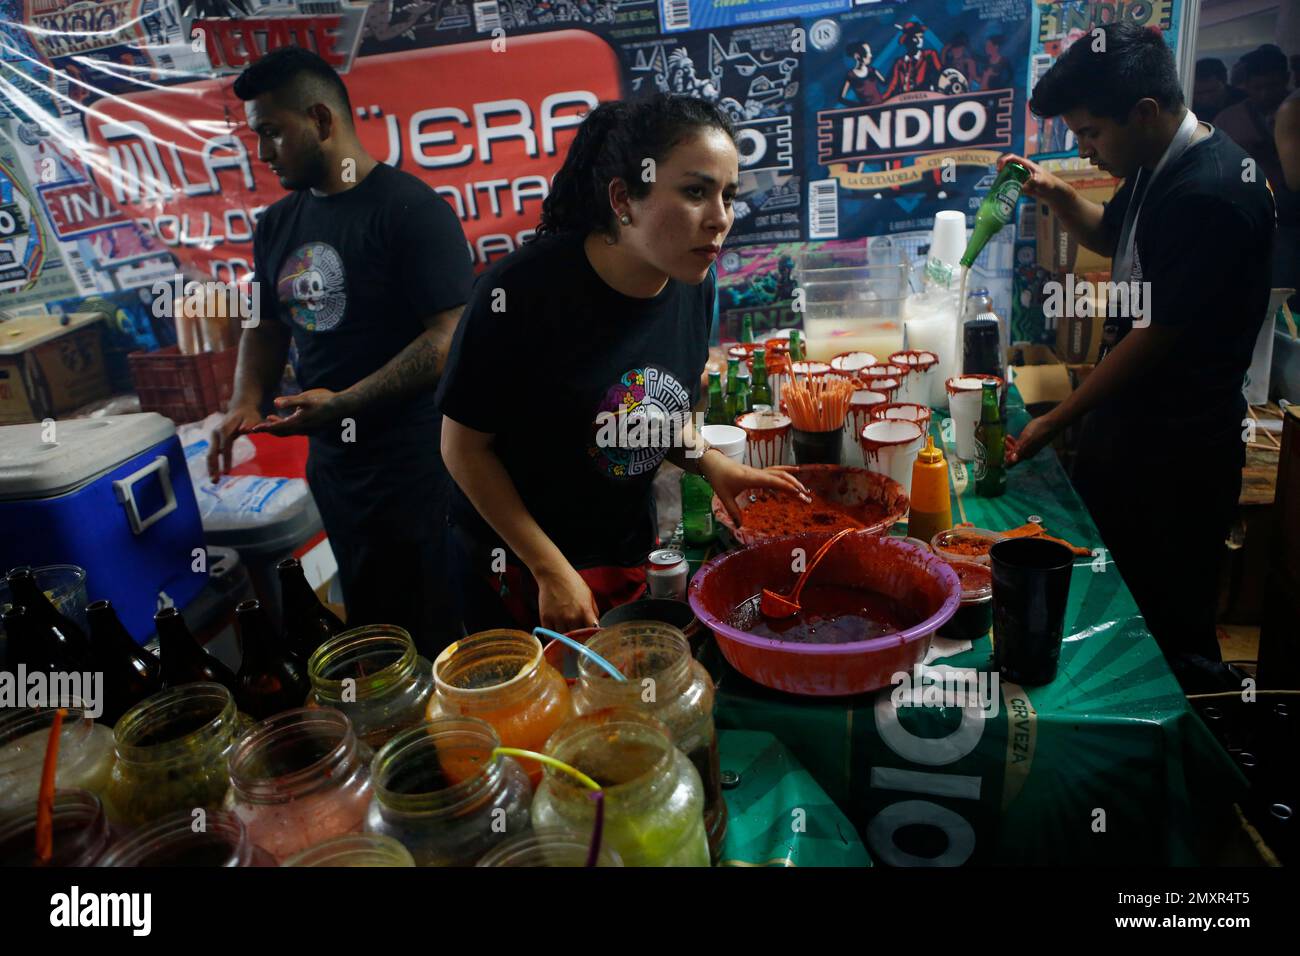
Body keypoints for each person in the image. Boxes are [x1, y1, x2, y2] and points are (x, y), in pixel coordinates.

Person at [436, 95, 809, 633]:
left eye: (728, 195)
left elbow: (646, 403)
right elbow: (463, 449)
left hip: (624, 549)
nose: (720, 219)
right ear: (623, 199)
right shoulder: (518, 294)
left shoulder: (691, 284)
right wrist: (549, 569)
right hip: (520, 568)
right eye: (695, 192)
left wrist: (711, 462)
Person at [1001, 23, 1275, 692]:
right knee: (1113, 606)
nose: (1085, 148)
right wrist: (1056, 194)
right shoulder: (1156, 165)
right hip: (1130, 432)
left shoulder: (1210, 191)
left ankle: (1196, 759)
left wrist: (1055, 419)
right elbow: (1110, 234)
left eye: (1091, 133)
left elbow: (1155, 335)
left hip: (1178, 452)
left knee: (1172, 623)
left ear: (1145, 113)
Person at [206, 47, 473, 657]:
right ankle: (388, 732)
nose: (263, 151)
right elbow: (265, 324)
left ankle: (446, 743)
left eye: (272, 132)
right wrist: (243, 401)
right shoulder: (276, 224)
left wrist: (348, 401)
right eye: (257, 136)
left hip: (417, 464)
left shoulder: (410, 210)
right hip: (335, 465)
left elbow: (448, 336)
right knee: (372, 619)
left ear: (322, 121)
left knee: (434, 627)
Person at [1218, 45, 1297, 300]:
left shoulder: (1294, 113)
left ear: (1287, 79)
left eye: (1272, 86)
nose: (1264, 94)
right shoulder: (1228, 120)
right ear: (1245, 85)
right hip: (1246, 219)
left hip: (1291, 221)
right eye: (1257, 87)